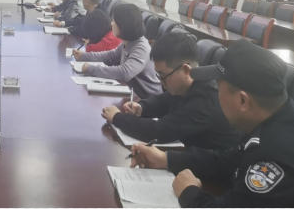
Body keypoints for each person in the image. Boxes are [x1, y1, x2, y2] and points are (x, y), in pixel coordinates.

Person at [130, 40, 294, 207]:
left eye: (218, 86)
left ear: (242, 101)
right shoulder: (273, 117)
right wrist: (166, 159)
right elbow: (229, 161)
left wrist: (189, 192)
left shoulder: (281, 157)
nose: (215, 93)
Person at [102, 32, 241, 149]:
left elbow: (158, 131)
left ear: (185, 70)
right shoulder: (188, 84)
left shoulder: (204, 101)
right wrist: (142, 107)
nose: (160, 82)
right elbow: (164, 100)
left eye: (162, 75)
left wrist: (117, 118)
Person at [73, 3, 162, 99]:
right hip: (133, 95)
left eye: (114, 21)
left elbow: (125, 72)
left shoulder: (141, 47)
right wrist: (84, 56)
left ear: (123, 25)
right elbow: (110, 56)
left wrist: (92, 69)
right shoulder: (128, 42)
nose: (111, 23)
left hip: (147, 99)